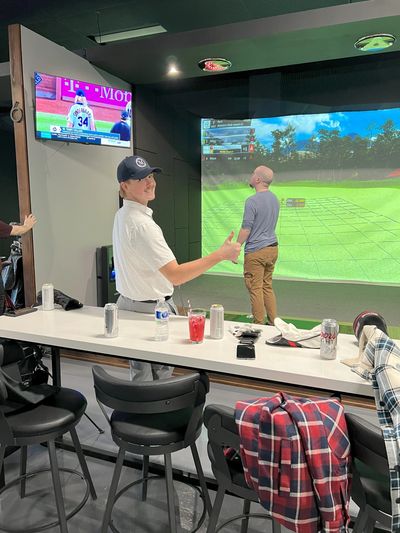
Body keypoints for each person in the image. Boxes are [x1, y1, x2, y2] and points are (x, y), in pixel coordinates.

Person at [113, 155, 241, 381]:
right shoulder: (142, 225)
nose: (150, 182)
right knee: (159, 381)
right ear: (125, 186)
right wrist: (220, 255)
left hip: (129, 305)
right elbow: (176, 275)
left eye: (150, 176)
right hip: (150, 312)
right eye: (142, 179)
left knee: (141, 378)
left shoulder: (122, 215)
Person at [236, 166, 279, 325]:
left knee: (255, 288)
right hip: (273, 249)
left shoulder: (252, 201)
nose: (251, 175)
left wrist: (237, 246)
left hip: (256, 252)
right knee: (267, 286)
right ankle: (274, 323)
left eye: (253, 173)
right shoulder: (274, 199)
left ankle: (258, 325)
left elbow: (246, 229)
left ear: (258, 179)